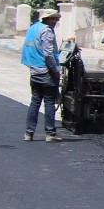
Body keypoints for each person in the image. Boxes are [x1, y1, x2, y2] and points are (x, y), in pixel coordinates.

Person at [22, 8, 64, 142]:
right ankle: (50, 133)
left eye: (56, 19)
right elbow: (48, 54)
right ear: (46, 19)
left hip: (34, 70)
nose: (55, 21)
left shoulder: (34, 28)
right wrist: (55, 71)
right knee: (49, 102)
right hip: (45, 71)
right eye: (53, 19)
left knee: (35, 102)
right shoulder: (47, 31)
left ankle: (29, 133)